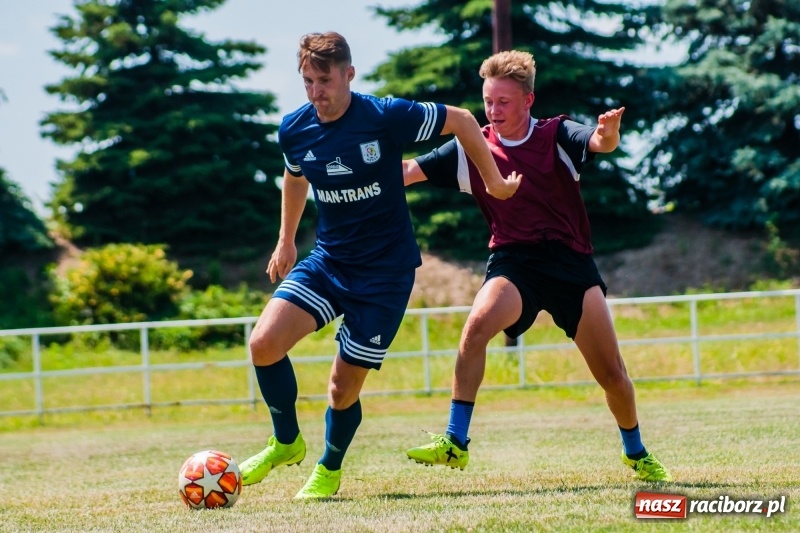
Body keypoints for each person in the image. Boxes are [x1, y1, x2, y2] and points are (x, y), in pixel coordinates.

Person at [239, 32, 521, 500]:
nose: (316, 92)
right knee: (263, 344)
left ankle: (328, 468)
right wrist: (285, 240)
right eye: (308, 82)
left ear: (349, 74)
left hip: (385, 277)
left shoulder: (385, 116)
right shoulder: (294, 128)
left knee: (341, 388)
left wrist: (491, 180)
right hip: (329, 262)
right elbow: (295, 176)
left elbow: (462, 120)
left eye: (325, 81)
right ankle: (286, 442)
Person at [402, 50, 671, 482]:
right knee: (475, 329)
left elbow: (599, 143)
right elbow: (407, 172)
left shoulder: (556, 134)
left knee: (613, 375)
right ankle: (455, 442)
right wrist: (353, 166)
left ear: (528, 100)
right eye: (488, 101)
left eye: (503, 102)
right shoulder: (472, 148)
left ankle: (636, 452)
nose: (493, 110)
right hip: (515, 263)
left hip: (570, 265)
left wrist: (609, 133)